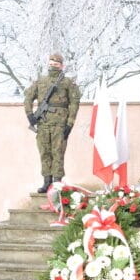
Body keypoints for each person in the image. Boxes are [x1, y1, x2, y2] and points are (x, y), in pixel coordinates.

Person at [24, 53, 82, 193]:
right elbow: (28, 98)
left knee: (58, 153)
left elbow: (74, 103)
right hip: (43, 124)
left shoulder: (68, 83)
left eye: (56, 65)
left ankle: (57, 183)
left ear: (62, 66)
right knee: (44, 153)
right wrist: (30, 115)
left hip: (60, 124)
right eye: (51, 64)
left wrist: (70, 124)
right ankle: (46, 182)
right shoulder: (40, 81)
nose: (53, 67)